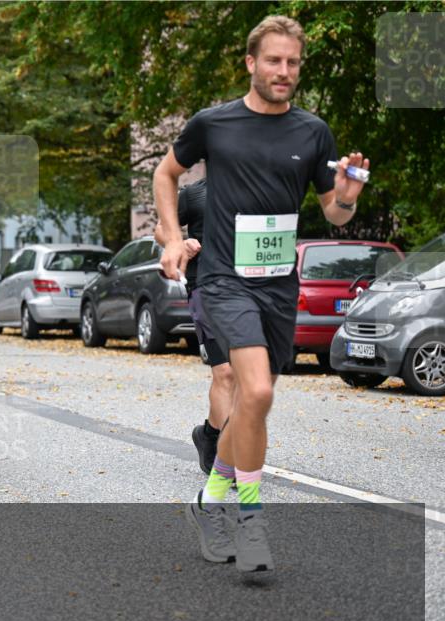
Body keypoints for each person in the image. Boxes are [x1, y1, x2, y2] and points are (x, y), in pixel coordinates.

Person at [154, 15, 369, 573]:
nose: (284, 70)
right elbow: (165, 174)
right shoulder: (214, 124)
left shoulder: (313, 132)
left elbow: (334, 213)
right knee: (254, 389)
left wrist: (346, 196)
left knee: (253, 402)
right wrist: (173, 237)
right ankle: (249, 519)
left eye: (293, 62)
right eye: (273, 60)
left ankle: (208, 502)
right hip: (224, 280)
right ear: (251, 62)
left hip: (278, 285)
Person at [154, 180, 235, 474]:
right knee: (225, 372)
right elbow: (161, 229)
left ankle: (209, 435)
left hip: (250, 291)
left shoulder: (257, 190)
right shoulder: (194, 193)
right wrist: (178, 242)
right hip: (207, 289)